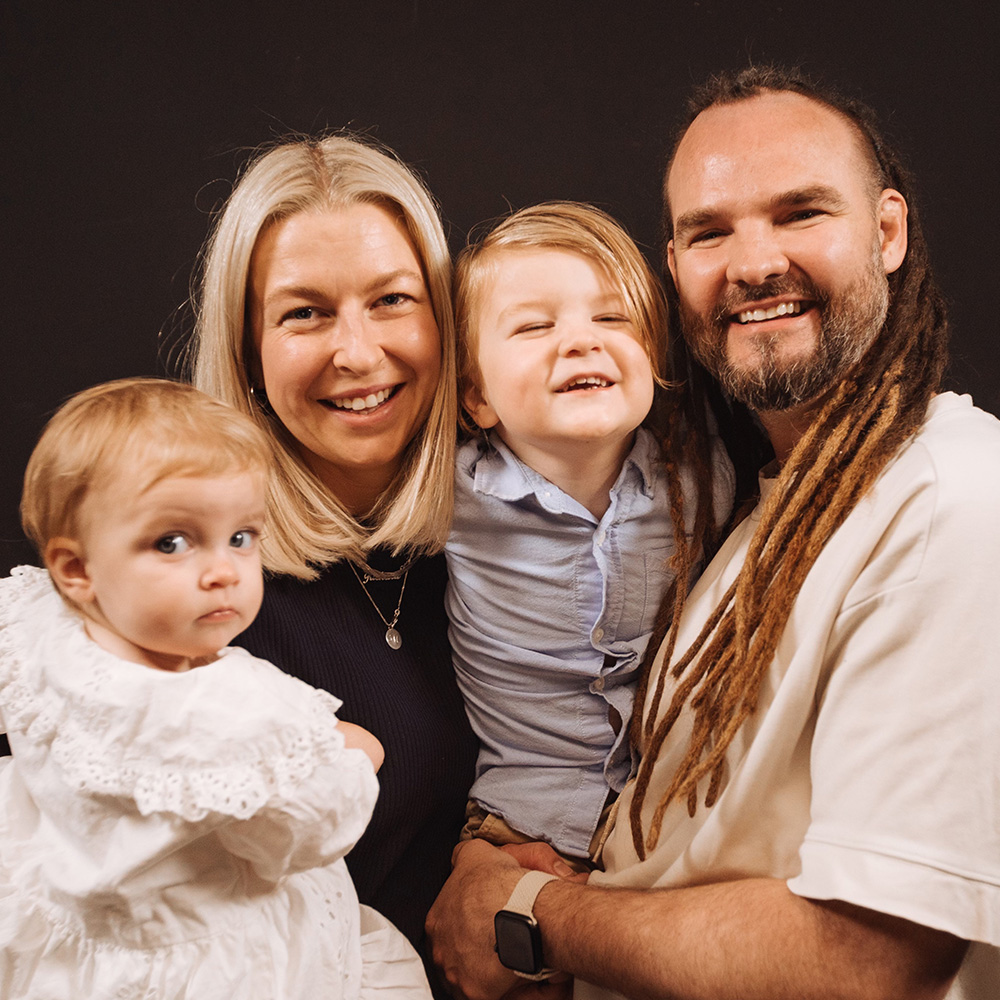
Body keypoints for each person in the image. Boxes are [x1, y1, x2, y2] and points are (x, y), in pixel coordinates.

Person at [426, 66, 1000, 1000]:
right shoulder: (753, 507)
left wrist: (528, 917)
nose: (754, 263)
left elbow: (870, 964)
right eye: (709, 232)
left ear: (887, 232)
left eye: (801, 212)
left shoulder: (950, 499)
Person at [0, 378, 432, 999]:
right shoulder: (220, 708)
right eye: (173, 543)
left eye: (241, 537)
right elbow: (310, 832)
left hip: (79, 946)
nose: (223, 571)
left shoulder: (39, 627)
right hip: (212, 971)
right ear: (78, 569)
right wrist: (352, 752)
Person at [188, 135, 479, 970]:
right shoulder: (194, 592)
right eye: (304, 313)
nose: (357, 352)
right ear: (247, 350)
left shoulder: (521, 529)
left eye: (392, 299)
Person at [445, 202, 732, 865]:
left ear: (652, 361)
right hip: (520, 820)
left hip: (671, 817)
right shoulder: (447, 495)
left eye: (612, 319)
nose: (580, 341)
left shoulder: (705, 483)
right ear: (477, 396)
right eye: (534, 326)